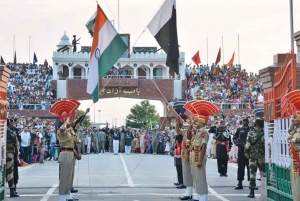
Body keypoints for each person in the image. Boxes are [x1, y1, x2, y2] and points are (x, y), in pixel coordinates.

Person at [244, 119, 265, 198]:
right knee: (263, 174)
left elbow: (247, 146)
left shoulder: (251, 133)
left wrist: (247, 155)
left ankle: (252, 192)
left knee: (252, 174)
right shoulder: (264, 134)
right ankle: (264, 192)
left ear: (255, 124)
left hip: (253, 157)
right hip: (261, 157)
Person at [232, 117, 250, 189]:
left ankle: (251, 183)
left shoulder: (251, 129)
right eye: (243, 121)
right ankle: (240, 183)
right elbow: (234, 138)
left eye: (246, 121)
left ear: (248, 122)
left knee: (250, 167)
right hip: (241, 150)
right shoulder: (239, 129)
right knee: (240, 167)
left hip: (249, 151)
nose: (244, 122)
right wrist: (238, 143)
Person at [6, 118, 19, 197]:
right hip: (10, 154)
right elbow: (17, 144)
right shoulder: (11, 133)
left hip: (2, 153)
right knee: (10, 172)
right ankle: (12, 190)